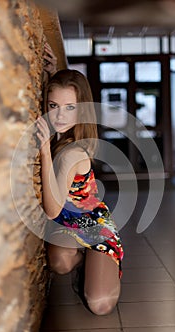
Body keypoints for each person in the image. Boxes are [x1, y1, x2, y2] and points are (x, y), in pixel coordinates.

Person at [37, 45, 124, 316]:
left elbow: (51, 209)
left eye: (70, 107)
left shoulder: (74, 150)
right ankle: (82, 259)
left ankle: (96, 261)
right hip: (67, 226)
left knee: (100, 304)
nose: (60, 116)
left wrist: (43, 150)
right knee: (60, 263)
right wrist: (52, 74)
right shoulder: (65, 133)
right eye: (54, 106)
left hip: (94, 226)